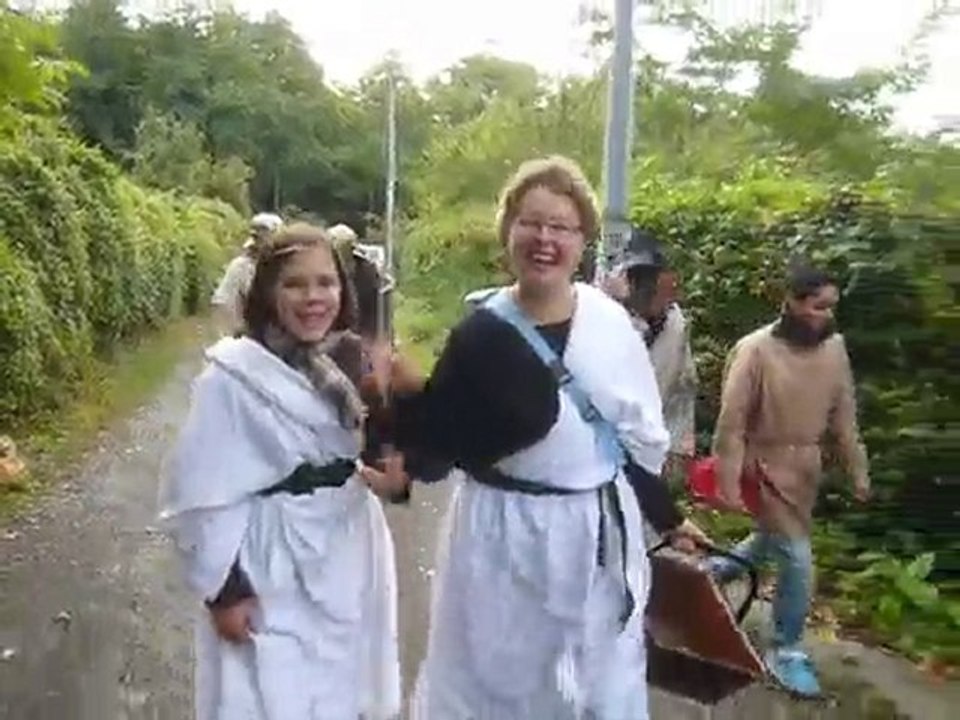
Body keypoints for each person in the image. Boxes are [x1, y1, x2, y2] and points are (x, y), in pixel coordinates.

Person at [387, 156, 707, 719]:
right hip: (499, 538)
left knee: (596, 683)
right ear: (507, 230)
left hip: (595, 537)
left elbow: (624, 444)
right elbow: (442, 446)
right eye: (530, 222)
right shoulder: (479, 332)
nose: (544, 239)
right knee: (491, 685)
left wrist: (670, 517)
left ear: (581, 240)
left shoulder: (611, 326)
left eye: (560, 227)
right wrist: (404, 410)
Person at [160, 223, 404, 720]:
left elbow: (386, 453)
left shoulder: (354, 360)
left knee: (344, 691)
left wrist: (398, 469)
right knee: (268, 694)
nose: (313, 297)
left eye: (326, 282)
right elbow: (199, 493)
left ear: (343, 287)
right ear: (267, 291)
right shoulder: (231, 376)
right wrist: (224, 592)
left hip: (350, 546)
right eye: (295, 284)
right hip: (269, 558)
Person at [707, 263, 871, 697]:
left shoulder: (834, 349)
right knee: (796, 557)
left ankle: (714, 573)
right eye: (818, 306)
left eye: (831, 307)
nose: (826, 316)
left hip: (806, 466)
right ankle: (787, 647)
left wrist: (857, 469)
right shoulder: (755, 350)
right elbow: (732, 421)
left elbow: (844, 415)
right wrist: (727, 479)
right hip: (763, 463)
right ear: (794, 302)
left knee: (771, 539)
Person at [600, 228, 697, 477]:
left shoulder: (675, 324)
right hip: (599, 449)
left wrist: (679, 448)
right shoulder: (601, 315)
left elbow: (682, 388)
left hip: (652, 449)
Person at [210, 212, 283, 335]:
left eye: (264, 233)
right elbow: (222, 302)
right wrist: (233, 331)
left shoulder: (287, 265)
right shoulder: (240, 266)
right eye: (257, 235)